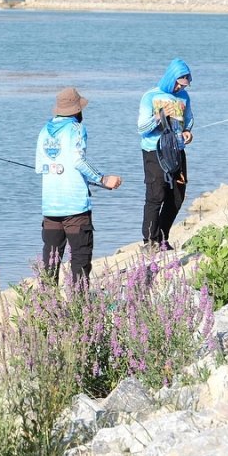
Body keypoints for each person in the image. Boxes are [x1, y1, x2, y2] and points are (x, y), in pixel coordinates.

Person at [36, 87, 121, 285]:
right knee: (80, 261)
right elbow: (78, 161)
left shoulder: (43, 131)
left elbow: (42, 166)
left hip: (50, 207)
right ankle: (80, 307)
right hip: (75, 209)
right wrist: (102, 179)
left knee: (50, 265)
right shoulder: (77, 129)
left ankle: (47, 310)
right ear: (77, 110)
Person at [137, 58, 194, 249]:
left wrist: (187, 132)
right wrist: (159, 116)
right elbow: (141, 128)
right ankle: (149, 241)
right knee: (156, 195)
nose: (180, 87)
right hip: (154, 151)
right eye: (178, 83)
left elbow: (188, 121)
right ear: (171, 79)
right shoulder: (150, 96)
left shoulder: (184, 97)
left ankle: (162, 237)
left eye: (184, 84)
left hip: (177, 150)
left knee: (178, 195)